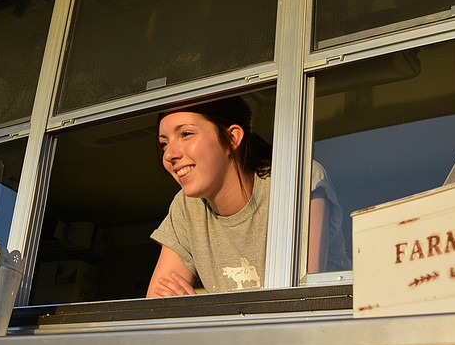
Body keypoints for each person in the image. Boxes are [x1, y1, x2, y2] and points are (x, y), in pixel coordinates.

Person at [147, 97, 349, 298]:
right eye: (164, 143)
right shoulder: (186, 206)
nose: (169, 154)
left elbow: (298, 300)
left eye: (186, 134)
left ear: (232, 138)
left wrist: (199, 311)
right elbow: (157, 305)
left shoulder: (294, 179)